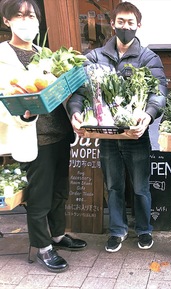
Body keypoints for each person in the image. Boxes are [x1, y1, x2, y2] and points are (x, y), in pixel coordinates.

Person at [67, 2, 167, 253]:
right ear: (112, 24)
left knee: (142, 187)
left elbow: (159, 93)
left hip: (135, 136)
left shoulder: (148, 57)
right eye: (120, 22)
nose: (125, 27)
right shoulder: (95, 57)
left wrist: (148, 115)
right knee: (113, 186)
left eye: (130, 23)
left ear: (138, 25)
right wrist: (75, 112)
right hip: (107, 136)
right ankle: (117, 230)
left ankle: (144, 230)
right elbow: (78, 91)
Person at [0, 0, 87, 273]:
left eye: (31, 16)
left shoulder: (45, 53)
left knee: (60, 191)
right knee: (39, 197)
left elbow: (57, 90)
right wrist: (22, 115)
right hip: (33, 138)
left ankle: (58, 235)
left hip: (60, 134)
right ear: (7, 20)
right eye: (20, 15)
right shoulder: (3, 57)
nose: (27, 21)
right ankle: (43, 247)